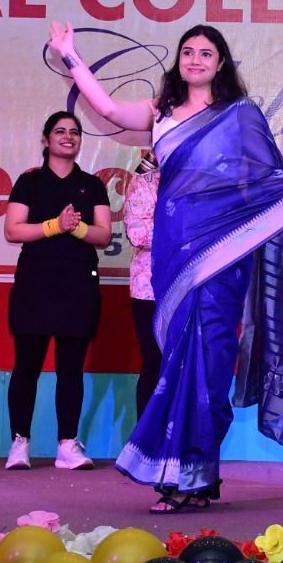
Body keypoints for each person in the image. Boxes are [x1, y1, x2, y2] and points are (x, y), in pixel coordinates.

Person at [47, 21, 283, 512]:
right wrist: (70, 54)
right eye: (188, 51)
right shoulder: (159, 112)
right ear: (178, 61)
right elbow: (109, 108)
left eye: (205, 53)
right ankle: (183, 476)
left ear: (221, 63)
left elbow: (271, 183)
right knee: (177, 361)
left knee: (211, 364)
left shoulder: (239, 116)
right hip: (175, 251)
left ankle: (195, 474)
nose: (195, 59)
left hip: (221, 258)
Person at [1, 111, 113, 471]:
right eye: (61, 131)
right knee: (26, 366)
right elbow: (13, 230)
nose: (68, 137)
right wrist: (54, 225)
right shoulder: (29, 182)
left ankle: (67, 446)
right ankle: (19, 443)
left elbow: (103, 234)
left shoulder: (92, 185)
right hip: (35, 281)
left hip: (78, 282)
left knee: (71, 369)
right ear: (46, 139)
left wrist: (75, 228)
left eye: (74, 132)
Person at [123, 148, 162, 421]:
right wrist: (185, 233)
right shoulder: (144, 184)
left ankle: (180, 438)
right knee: (154, 362)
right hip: (149, 288)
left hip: (193, 286)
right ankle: (146, 440)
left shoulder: (201, 183)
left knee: (188, 364)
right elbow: (138, 234)